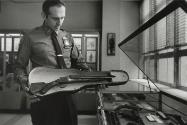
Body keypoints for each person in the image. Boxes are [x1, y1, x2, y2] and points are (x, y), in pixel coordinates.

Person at [14, 0, 90, 125]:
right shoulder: (31, 37)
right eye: (55, 18)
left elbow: (79, 62)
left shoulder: (67, 36)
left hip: (67, 96)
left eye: (62, 18)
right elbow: (19, 66)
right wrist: (26, 86)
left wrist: (90, 78)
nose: (59, 22)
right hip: (43, 96)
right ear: (44, 15)